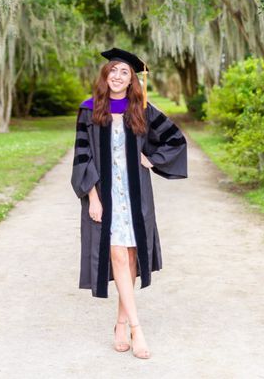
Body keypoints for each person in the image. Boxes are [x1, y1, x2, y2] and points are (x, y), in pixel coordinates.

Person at [71, 47, 188, 359]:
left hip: (136, 197)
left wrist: (151, 159)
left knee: (133, 259)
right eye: (113, 71)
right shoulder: (89, 110)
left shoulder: (143, 109)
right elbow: (82, 157)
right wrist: (92, 197)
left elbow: (176, 140)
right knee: (119, 258)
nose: (118, 77)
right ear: (105, 76)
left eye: (124, 72)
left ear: (133, 79)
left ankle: (120, 323)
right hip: (106, 196)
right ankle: (138, 328)